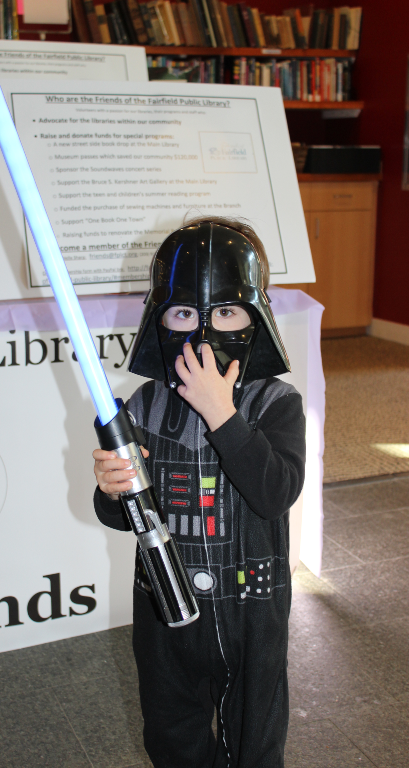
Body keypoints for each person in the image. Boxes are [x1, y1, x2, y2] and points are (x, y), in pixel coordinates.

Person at [92, 217, 306, 768]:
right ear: (161, 317)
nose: (203, 333)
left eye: (225, 312)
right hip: (165, 606)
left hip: (251, 613)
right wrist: (112, 490)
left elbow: (274, 492)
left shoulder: (275, 404)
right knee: (171, 734)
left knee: (254, 742)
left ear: (255, 315)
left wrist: (221, 412)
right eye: (185, 313)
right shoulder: (140, 406)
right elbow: (123, 517)